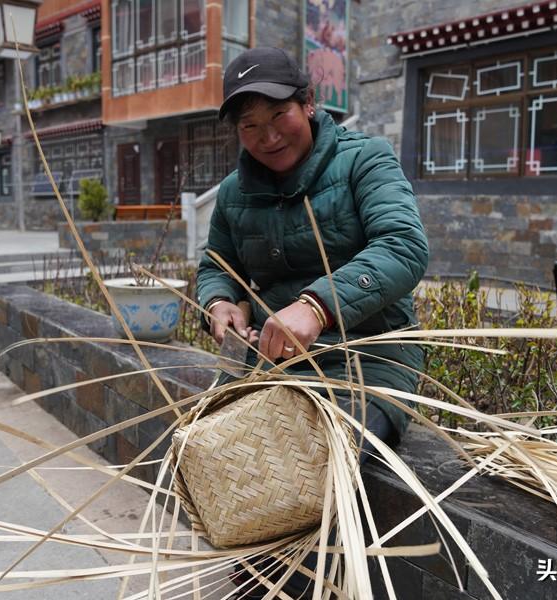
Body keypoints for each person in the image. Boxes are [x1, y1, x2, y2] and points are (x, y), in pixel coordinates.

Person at [195, 47, 429, 597]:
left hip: (368, 361)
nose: (268, 135)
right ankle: (256, 578)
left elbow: (404, 245)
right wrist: (220, 303)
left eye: (279, 116)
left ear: (309, 103)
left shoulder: (365, 159)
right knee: (221, 457)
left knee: (301, 467)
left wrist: (318, 305)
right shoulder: (233, 194)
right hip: (272, 369)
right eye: (250, 125)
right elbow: (216, 267)